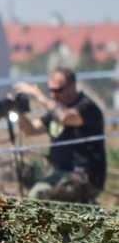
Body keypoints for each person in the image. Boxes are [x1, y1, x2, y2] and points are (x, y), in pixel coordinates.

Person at [15, 68, 106, 202]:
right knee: (32, 184)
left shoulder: (87, 107)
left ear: (73, 86)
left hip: (84, 176)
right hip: (58, 173)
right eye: (50, 90)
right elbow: (31, 129)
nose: (53, 95)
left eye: (58, 90)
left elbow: (65, 118)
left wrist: (39, 96)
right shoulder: (56, 110)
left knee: (47, 194)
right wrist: (18, 112)